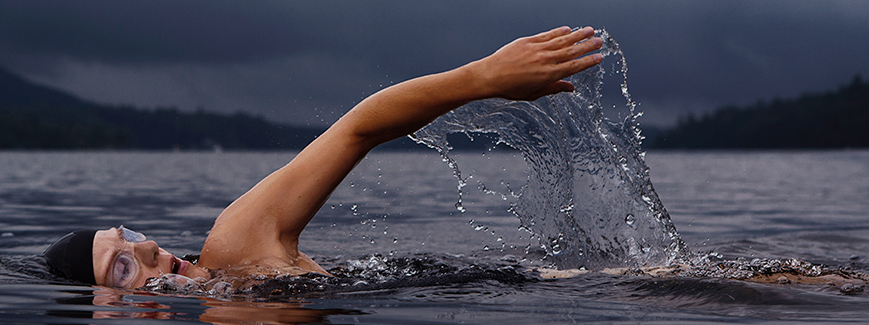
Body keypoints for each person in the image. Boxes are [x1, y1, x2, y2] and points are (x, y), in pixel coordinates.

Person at [45, 27, 608, 288]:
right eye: (123, 266)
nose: (147, 246)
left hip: (568, 287)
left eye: (129, 236)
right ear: (108, 320)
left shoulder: (235, 246)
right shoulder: (231, 324)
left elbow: (357, 129)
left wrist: (482, 78)